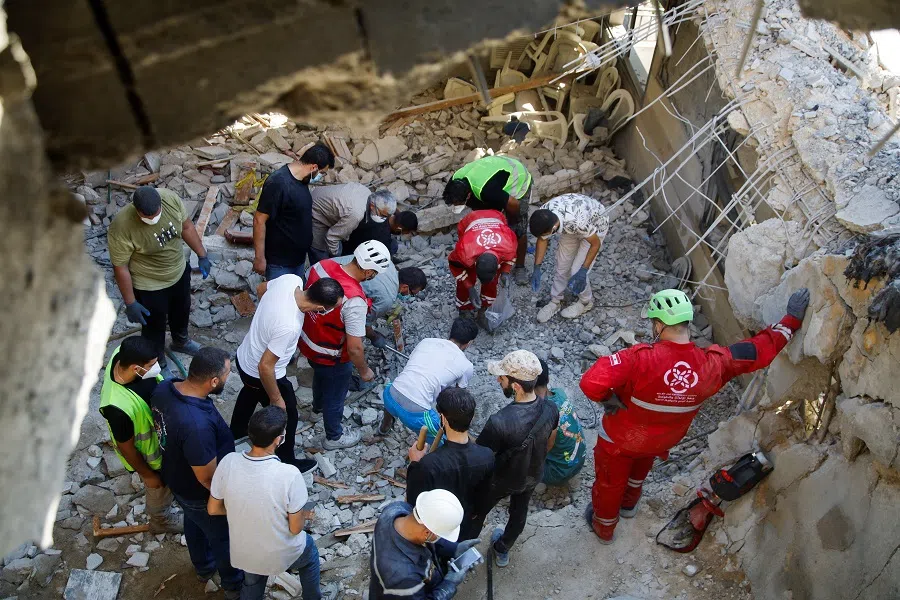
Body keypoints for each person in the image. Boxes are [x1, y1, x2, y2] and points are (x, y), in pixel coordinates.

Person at [579, 287, 811, 544]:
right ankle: (629, 506)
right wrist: (790, 321)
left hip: (621, 439)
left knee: (609, 484)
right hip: (662, 440)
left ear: (658, 325)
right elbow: (757, 351)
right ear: (687, 324)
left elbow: (591, 382)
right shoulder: (713, 364)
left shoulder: (638, 359)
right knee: (640, 467)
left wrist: (608, 399)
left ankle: (604, 527)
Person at [209, 407, 337, 600]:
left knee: (253, 578)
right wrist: (301, 516)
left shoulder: (228, 461)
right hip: (280, 552)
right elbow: (295, 529)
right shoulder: (289, 474)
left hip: (244, 552)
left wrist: (245, 509)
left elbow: (213, 508)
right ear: (278, 439)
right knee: (310, 554)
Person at [151, 347, 242, 598]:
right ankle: (233, 584)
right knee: (221, 537)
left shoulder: (165, 388)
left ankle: (203, 567)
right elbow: (206, 477)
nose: (227, 378)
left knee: (193, 521)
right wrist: (224, 500)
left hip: (177, 478)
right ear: (213, 381)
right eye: (226, 374)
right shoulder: (196, 426)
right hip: (200, 491)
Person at [229, 276, 345, 469]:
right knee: (288, 414)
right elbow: (265, 367)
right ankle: (287, 459)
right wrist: (276, 399)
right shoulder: (289, 325)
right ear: (320, 308)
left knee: (250, 392)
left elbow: (260, 288)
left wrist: (265, 322)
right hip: (260, 372)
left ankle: (236, 432)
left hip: (245, 356)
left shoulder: (291, 281)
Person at [468, 350, 559, 566]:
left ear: (516, 386)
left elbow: (480, 458)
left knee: (476, 512)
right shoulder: (551, 408)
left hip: (501, 480)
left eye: (502, 377)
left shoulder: (500, 422)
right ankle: (502, 548)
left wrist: (461, 436)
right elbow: (550, 442)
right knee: (519, 513)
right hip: (532, 475)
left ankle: (465, 548)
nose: (499, 380)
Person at [299, 241, 391, 450]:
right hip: (332, 354)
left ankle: (316, 411)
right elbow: (354, 348)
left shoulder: (320, 266)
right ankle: (334, 437)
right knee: (336, 395)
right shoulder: (354, 301)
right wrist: (364, 370)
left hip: (307, 343)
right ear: (369, 272)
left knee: (321, 379)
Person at [109, 185, 211, 371]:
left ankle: (180, 342)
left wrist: (202, 254)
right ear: (137, 210)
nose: (153, 219)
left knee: (182, 311)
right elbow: (120, 267)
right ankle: (157, 361)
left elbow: (187, 227)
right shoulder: (122, 225)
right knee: (153, 327)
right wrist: (131, 302)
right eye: (148, 217)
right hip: (149, 284)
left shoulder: (170, 199)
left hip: (178, 271)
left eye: (156, 214)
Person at [98, 336, 182, 533]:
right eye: (152, 365)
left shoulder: (122, 353)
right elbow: (125, 447)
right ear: (136, 368)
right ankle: (160, 521)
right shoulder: (117, 408)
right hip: (153, 456)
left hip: (162, 436)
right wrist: (147, 474)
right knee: (158, 488)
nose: (157, 368)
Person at [406, 388, 495, 530]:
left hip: (438, 530)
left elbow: (413, 502)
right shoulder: (487, 455)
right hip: (468, 526)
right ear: (471, 418)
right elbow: (485, 497)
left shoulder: (429, 465)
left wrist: (414, 463)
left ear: (443, 419)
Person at [378, 317, 478, 441]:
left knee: (393, 389)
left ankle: (384, 427)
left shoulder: (427, 341)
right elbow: (458, 400)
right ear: (469, 343)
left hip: (389, 396)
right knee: (443, 440)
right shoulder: (466, 365)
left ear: (450, 332)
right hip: (415, 415)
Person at [369, 490, 480, 600]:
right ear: (427, 532)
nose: (441, 538)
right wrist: (448, 584)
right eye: (441, 535)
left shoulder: (396, 509)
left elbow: (427, 534)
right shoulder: (403, 577)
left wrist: (454, 549)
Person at [443, 155, 533, 285]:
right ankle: (491, 256)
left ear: (468, 195)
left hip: (517, 179)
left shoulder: (486, 191)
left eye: (461, 203)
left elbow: (514, 204)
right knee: (488, 221)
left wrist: (513, 223)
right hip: (494, 174)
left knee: (518, 230)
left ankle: (520, 267)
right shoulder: (455, 181)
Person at [253, 142, 335, 280]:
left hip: (298, 259)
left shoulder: (302, 180)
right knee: (279, 299)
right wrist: (259, 258)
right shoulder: (278, 183)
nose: (322, 176)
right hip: (280, 263)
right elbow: (258, 220)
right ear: (313, 167)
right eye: (322, 173)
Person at [529, 193, 610, 322]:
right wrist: (537, 267)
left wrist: (583, 270)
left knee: (576, 270)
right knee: (562, 265)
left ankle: (586, 302)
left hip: (595, 225)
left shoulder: (577, 222)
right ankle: (556, 301)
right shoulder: (544, 213)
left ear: (554, 228)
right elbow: (542, 240)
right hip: (571, 223)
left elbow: (595, 244)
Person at [330, 255, 427, 348]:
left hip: (324, 267)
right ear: (405, 287)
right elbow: (362, 323)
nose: (409, 296)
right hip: (327, 290)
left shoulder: (387, 263)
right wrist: (374, 337)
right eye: (412, 293)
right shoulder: (387, 298)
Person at [447, 209, 517, 330]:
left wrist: (505, 272)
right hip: (470, 221)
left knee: (492, 281)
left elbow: (511, 258)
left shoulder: (509, 246)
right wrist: (469, 287)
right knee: (467, 273)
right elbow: (454, 265)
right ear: (475, 262)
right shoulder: (465, 252)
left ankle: (484, 309)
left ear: (498, 266)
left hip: (497, 217)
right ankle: (464, 309)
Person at [310, 185, 396, 263]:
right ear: (372, 206)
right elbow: (331, 238)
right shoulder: (355, 214)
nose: (382, 218)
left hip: (320, 195)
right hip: (315, 211)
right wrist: (338, 259)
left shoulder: (366, 192)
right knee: (322, 256)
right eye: (381, 215)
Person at [535, 359, 586, 487]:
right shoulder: (559, 393)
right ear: (548, 378)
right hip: (579, 460)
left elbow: (545, 448)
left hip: (558, 472)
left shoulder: (541, 413)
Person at [344, 209, 418, 257]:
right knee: (393, 245)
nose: (401, 234)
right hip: (350, 252)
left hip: (346, 238)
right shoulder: (383, 239)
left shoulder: (380, 211)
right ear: (399, 228)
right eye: (403, 232)